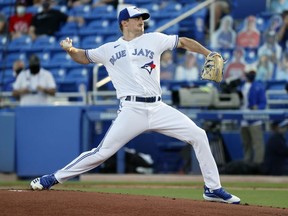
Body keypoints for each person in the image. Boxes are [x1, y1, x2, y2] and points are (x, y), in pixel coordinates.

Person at [30, 6, 240, 204]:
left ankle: (212, 188)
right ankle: (53, 178)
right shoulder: (109, 49)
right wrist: (70, 49)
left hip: (158, 108)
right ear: (124, 22)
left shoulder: (154, 39)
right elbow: (83, 57)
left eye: (142, 18)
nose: (141, 21)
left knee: (199, 135)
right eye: (137, 18)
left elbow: (183, 42)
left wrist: (208, 53)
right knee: (102, 152)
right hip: (131, 110)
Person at [240, 65, 267, 166]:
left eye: (253, 73)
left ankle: (258, 165)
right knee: (246, 143)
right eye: (249, 72)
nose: (251, 74)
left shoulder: (259, 86)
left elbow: (263, 103)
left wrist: (257, 108)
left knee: (257, 143)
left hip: (255, 119)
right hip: (243, 118)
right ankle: (247, 164)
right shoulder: (241, 86)